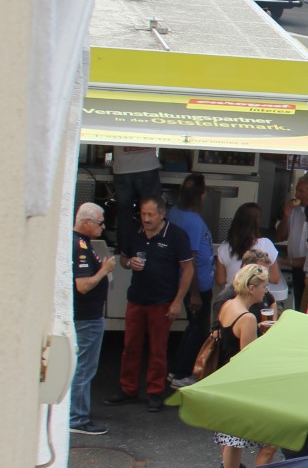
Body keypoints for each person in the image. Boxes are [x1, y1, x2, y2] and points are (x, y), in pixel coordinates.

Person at [106, 196, 193, 413]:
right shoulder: (134, 233)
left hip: (162, 301)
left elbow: (188, 269)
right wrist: (129, 263)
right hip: (136, 298)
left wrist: (177, 301)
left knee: (158, 349)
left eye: (150, 214)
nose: (146, 219)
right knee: (130, 346)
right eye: (143, 214)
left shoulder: (176, 235)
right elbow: (124, 260)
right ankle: (128, 389)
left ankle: (155, 392)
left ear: (162, 214)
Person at [212, 264, 278, 468]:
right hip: (240, 386)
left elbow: (230, 340)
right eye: (264, 286)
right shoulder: (247, 318)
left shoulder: (228, 306)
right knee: (269, 442)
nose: (266, 291)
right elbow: (247, 360)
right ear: (251, 287)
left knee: (233, 440)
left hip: (225, 379)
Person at [165, 174, 215, 386]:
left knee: (192, 327)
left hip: (186, 282)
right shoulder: (193, 221)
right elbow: (190, 259)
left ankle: (176, 370)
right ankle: (181, 373)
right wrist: (194, 293)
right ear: (201, 195)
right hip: (197, 286)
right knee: (197, 329)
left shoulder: (174, 212)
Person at [70, 203, 114, 435]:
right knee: (84, 368)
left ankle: (77, 411)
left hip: (89, 316)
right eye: (100, 222)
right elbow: (83, 285)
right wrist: (104, 270)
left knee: (83, 367)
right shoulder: (80, 247)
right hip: (87, 318)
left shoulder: (83, 243)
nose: (103, 226)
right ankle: (77, 417)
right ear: (85, 222)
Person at [214, 202, 285, 305]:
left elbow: (220, 281)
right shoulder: (266, 244)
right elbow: (275, 279)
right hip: (258, 299)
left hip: (232, 299)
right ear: (256, 223)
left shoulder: (224, 248)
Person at [276, 173, 308, 311]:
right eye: (297, 190)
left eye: (301, 191)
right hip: (296, 269)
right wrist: (286, 215)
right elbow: (280, 236)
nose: (297, 194)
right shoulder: (294, 211)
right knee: (298, 305)